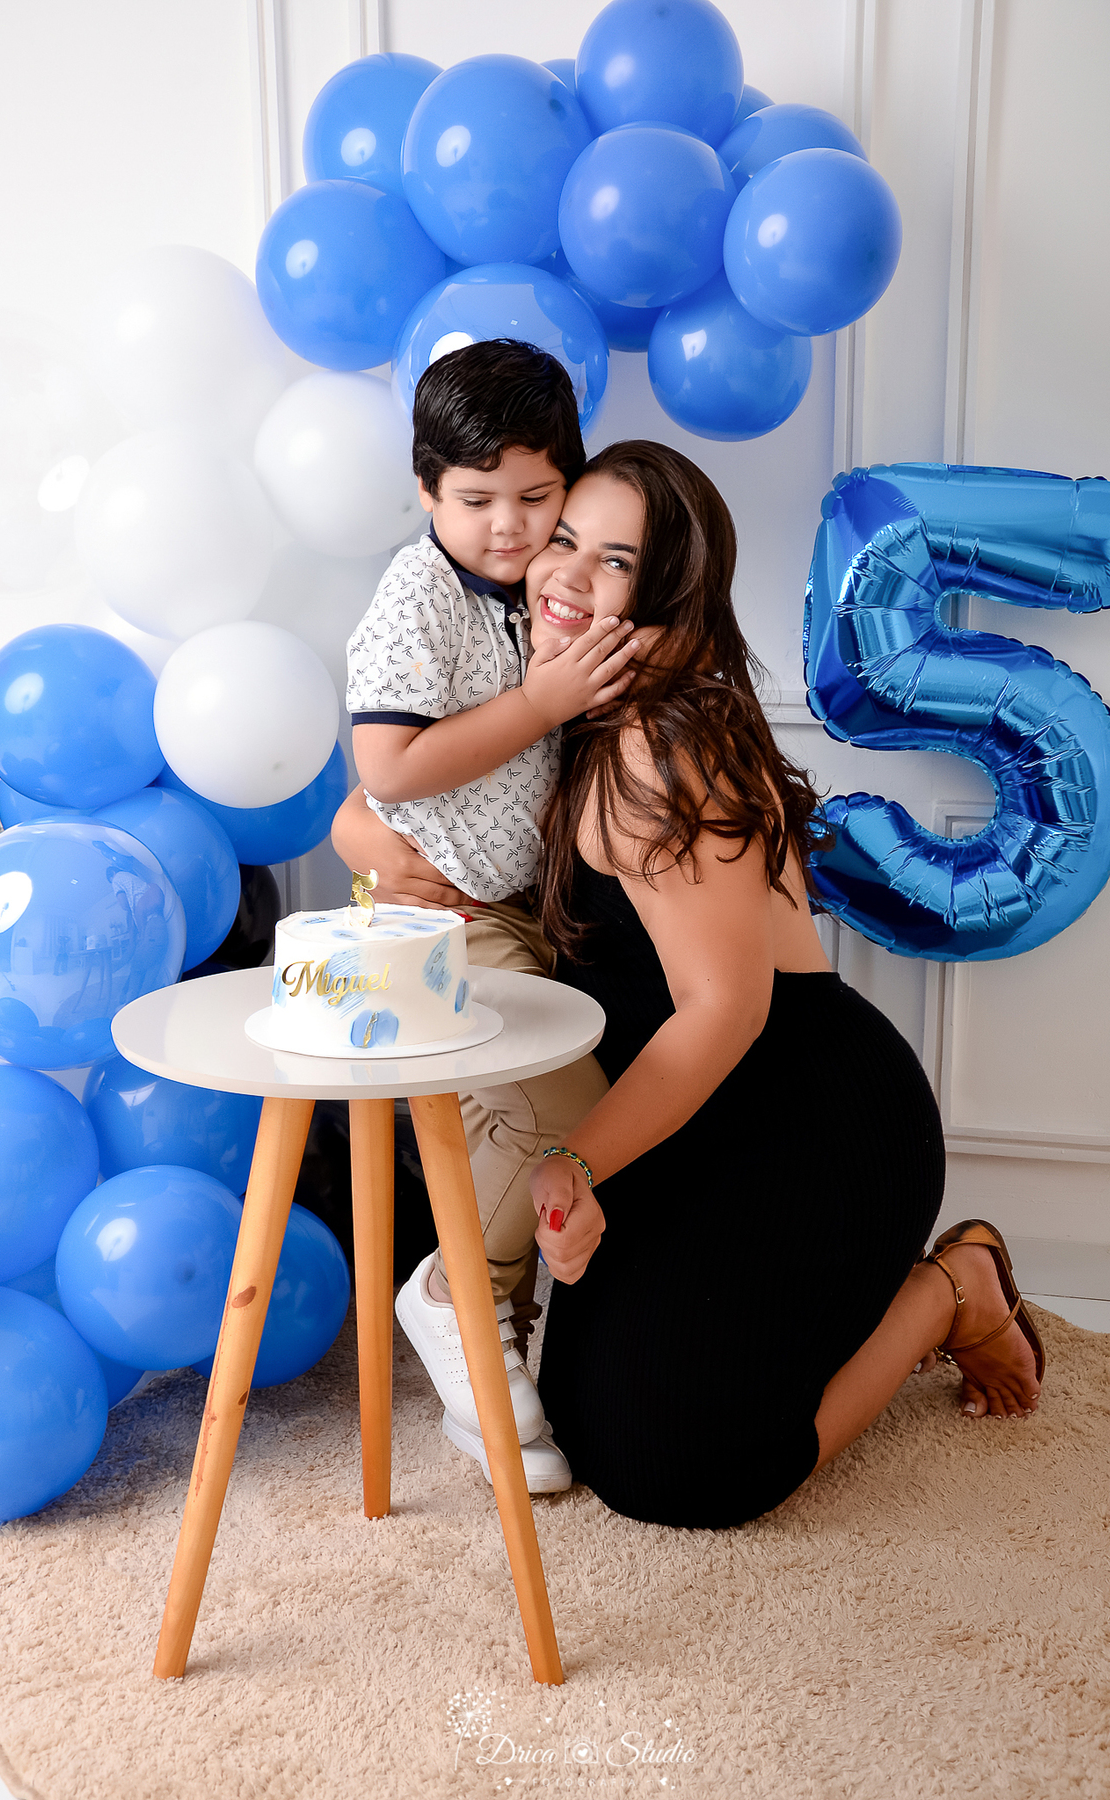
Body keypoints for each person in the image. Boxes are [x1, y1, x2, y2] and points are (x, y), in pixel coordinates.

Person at [518, 440, 1046, 1529]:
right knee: (583, 1417)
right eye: (563, 539)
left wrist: (573, 1159)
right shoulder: (585, 713)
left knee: (688, 1470)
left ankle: (951, 1290)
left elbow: (728, 1010)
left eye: (612, 561)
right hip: (704, 1110)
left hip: (809, 1111)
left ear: (669, 594)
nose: (564, 575)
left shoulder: (656, 746)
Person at [334, 340, 652, 1492]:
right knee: (566, 1125)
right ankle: (450, 1296)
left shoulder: (543, 584)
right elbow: (390, 767)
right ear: (425, 493)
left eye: (536, 497)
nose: (511, 529)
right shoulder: (421, 592)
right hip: (440, 918)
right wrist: (541, 702)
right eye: (476, 502)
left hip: (526, 911)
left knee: (538, 1135)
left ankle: (483, 1328)